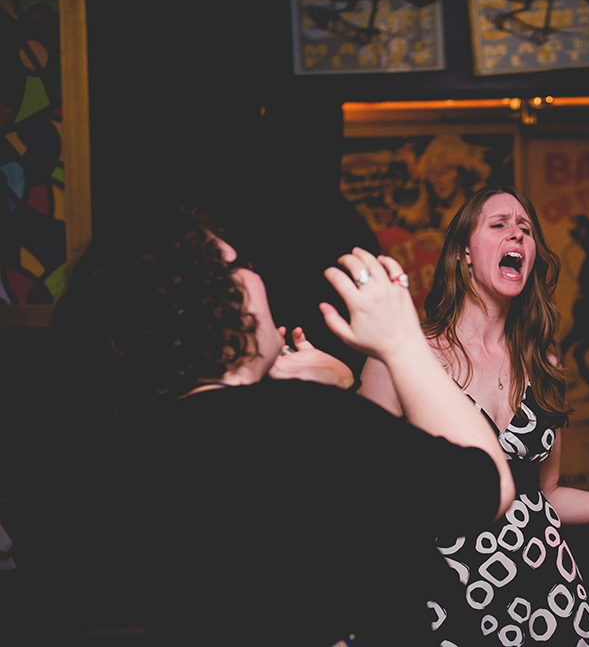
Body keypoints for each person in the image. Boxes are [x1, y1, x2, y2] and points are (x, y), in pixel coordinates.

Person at [28, 209, 515, 646]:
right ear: (221, 295)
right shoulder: (307, 422)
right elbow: (486, 486)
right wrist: (404, 344)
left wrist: (338, 387)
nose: (260, 278)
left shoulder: (117, 447)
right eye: (245, 265)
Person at [358, 186, 589, 645]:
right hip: (442, 591)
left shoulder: (544, 364)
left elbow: (545, 495)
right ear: (463, 253)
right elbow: (361, 495)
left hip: (544, 589)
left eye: (526, 229)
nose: (517, 234)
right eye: (498, 225)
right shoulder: (404, 357)